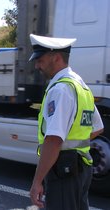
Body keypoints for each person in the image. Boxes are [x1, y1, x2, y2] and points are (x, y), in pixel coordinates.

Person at [28, 34, 104, 210]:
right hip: (81, 168)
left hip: (64, 169)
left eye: (40, 59)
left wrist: (37, 182)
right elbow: (97, 128)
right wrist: (74, 144)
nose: (37, 65)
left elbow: (54, 140)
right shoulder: (80, 86)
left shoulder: (60, 90)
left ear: (56, 57)